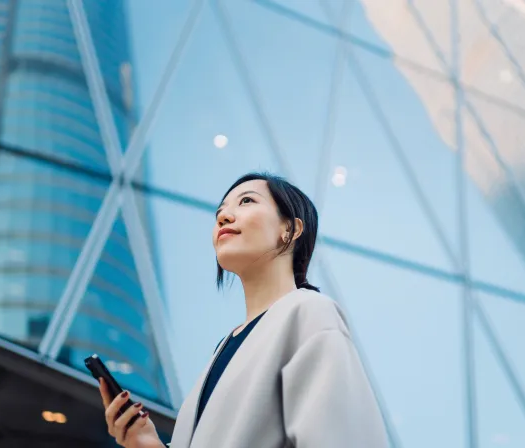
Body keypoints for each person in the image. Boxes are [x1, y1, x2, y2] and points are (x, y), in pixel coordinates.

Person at [100, 172, 389, 447]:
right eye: (219, 213)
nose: (224, 216)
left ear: (290, 228)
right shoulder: (224, 349)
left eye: (247, 201)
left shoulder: (309, 313)